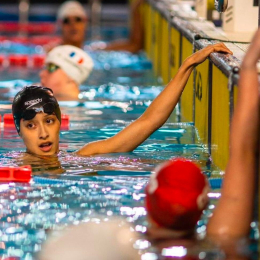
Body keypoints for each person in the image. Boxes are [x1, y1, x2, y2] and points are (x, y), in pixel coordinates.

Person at [12, 43, 231, 157]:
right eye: (31, 125)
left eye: (49, 121)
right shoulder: (11, 167)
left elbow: (149, 121)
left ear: (61, 122)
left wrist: (187, 65)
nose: (42, 134)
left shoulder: (84, 155)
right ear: (18, 131)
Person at [145, 28, 260, 242]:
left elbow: (243, 154)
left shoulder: (121, 247)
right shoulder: (224, 236)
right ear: (205, 205)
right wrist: (249, 64)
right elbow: (243, 152)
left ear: (147, 202)